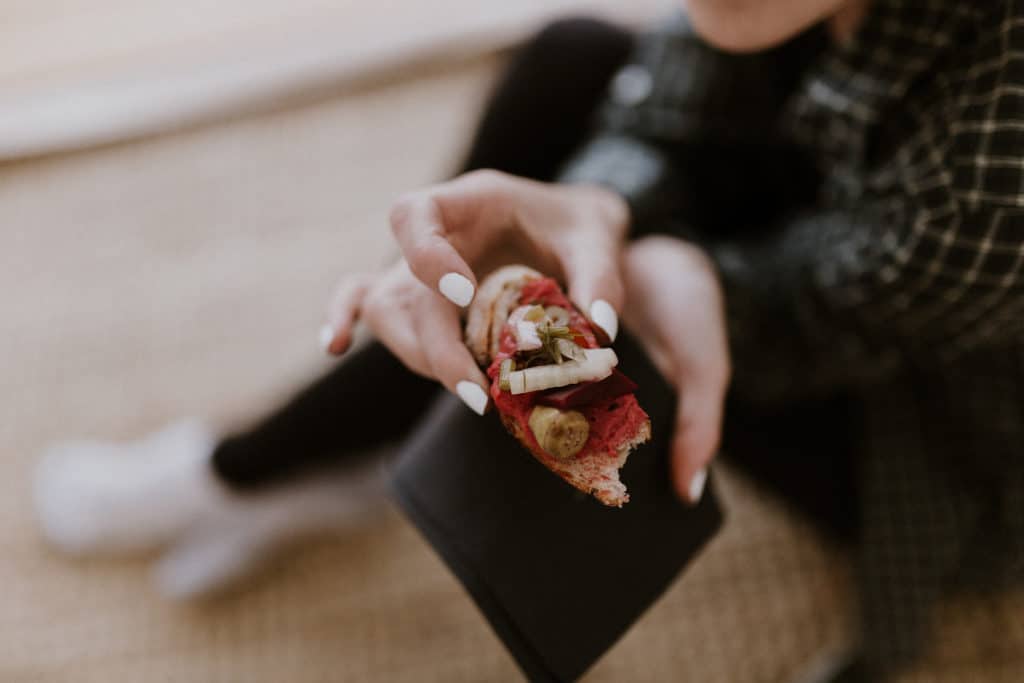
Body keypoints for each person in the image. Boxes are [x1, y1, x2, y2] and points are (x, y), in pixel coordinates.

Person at [33, 0, 1024, 680]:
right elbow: (670, 96)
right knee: (574, 65)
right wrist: (594, 208)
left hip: (953, 435)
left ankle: (254, 466)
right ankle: (323, 451)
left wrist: (640, 269)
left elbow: (801, 320)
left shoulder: (1001, 135)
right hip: (861, 252)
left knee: (566, 340)